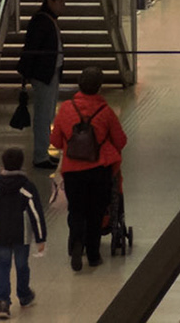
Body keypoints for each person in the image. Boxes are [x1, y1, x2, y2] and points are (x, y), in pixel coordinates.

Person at [50, 66, 127, 272]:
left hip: (72, 170)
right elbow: (121, 140)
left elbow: (55, 141)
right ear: (99, 88)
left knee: (76, 210)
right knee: (95, 212)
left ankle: (76, 242)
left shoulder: (66, 109)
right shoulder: (106, 112)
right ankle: (93, 255)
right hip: (99, 171)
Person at [0, 145, 47, 318]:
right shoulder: (27, 187)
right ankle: (24, 295)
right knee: (22, 266)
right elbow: (35, 213)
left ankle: (3, 303)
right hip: (20, 235)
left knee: (2, 267)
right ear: (21, 164)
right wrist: (40, 237)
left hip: (1, 234)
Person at [17, 0, 67, 170]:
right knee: (43, 115)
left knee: (47, 115)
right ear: (50, 1)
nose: (63, 6)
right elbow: (33, 48)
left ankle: (43, 152)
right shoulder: (42, 21)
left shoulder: (47, 20)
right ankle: (40, 155)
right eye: (60, 2)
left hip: (50, 73)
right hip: (44, 74)